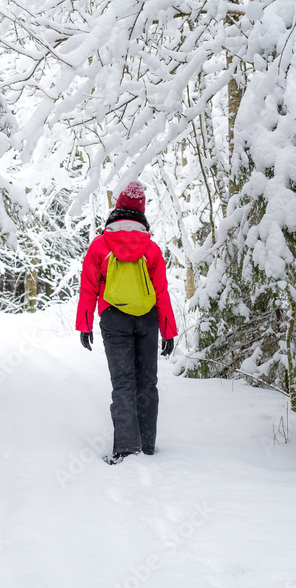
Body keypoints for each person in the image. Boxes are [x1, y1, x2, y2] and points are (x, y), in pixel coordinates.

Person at [76, 181, 178, 464]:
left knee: (123, 383)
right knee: (148, 383)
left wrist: (84, 324)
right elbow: (161, 292)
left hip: (113, 319)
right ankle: (147, 448)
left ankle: (125, 449)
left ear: (118, 209)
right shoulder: (151, 249)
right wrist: (168, 330)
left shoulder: (100, 245)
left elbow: (89, 288)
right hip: (147, 319)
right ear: (142, 212)